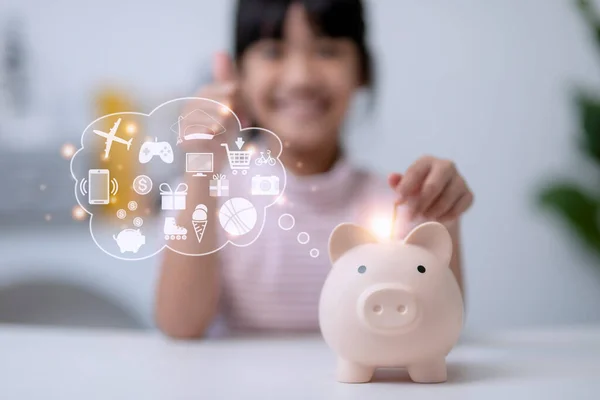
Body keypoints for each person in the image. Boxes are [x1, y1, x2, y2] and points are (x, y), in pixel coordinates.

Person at [155, 0, 474, 339]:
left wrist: (442, 216)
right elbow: (180, 326)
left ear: (362, 70)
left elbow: (439, 331)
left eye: (326, 51)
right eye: (273, 52)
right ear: (237, 75)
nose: (301, 78)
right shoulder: (204, 197)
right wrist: (202, 169)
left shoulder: (401, 205)